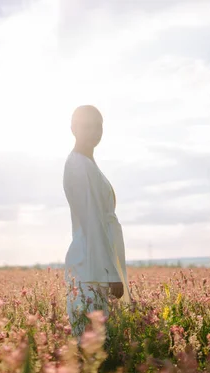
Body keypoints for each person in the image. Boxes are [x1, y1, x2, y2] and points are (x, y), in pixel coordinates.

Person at [63, 105, 131, 337]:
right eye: (86, 126)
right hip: (91, 266)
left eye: (98, 126)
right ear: (73, 128)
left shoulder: (88, 163)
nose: (93, 131)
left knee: (102, 341)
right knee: (92, 342)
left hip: (97, 261)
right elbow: (92, 221)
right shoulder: (79, 166)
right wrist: (110, 273)